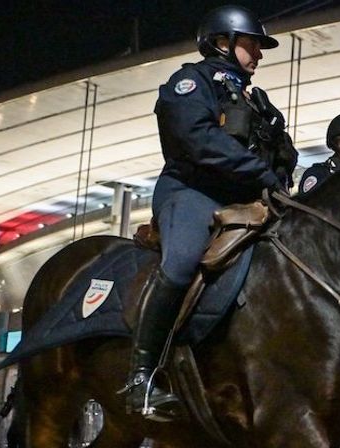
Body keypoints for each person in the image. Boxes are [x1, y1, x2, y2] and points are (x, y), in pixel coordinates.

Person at [121, 5, 289, 421]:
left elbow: (283, 148)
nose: (259, 54)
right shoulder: (189, 82)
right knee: (179, 264)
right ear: (222, 42)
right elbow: (198, 140)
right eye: (253, 45)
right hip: (194, 191)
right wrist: (261, 172)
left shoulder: (259, 100)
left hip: (247, 198)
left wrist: (279, 178)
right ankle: (141, 378)